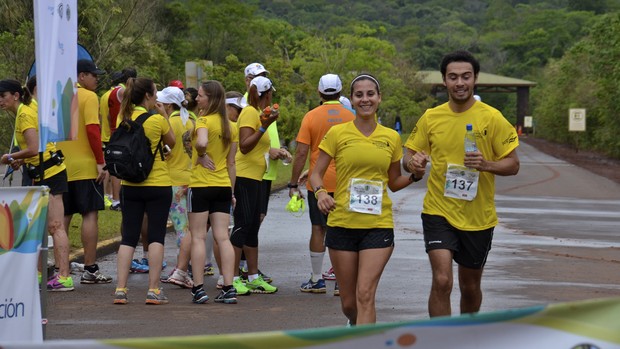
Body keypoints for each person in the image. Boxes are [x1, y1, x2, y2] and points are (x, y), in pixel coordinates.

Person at [403, 50, 520, 317]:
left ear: (475, 79)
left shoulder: (491, 117)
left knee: (470, 287)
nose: (459, 83)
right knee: (442, 281)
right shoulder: (432, 117)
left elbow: (513, 164)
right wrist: (413, 163)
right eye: (453, 77)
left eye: (465, 77)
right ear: (444, 80)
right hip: (438, 210)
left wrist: (486, 164)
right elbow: (408, 155)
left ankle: (467, 335)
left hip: (478, 217)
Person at [310, 73, 423, 325]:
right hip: (342, 224)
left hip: (378, 225)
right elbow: (316, 174)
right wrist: (319, 194)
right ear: (350, 99)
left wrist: (414, 177)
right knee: (349, 303)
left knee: (365, 294)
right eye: (359, 95)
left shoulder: (391, 137)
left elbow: (394, 183)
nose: (365, 99)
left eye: (370, 94)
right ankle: (355, 323)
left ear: (379, 98)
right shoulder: (337, 133)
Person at [0, 79, 73, 291]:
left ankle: (64, 276)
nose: (0, 101)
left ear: (15, 95)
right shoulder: (28, 108)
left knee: (55, 226)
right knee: (40, 226)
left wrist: (9, 156)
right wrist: (22, 159)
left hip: (50, 173)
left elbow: (33, 148)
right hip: (43, 170)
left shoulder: (24, 113)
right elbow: (37, 146)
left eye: (3, 96)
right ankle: (42, 274)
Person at [288, 74, 355, 295]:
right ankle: (340, 283)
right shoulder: (351, 116)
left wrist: (293, 182)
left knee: (318, 228)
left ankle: (317, 280)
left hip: (319, 183)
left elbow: (301, 152)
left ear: (319, 92)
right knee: (344, 229)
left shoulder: (311, 117)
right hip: (346, 182)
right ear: (340, 91)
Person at [113, 77, 175, 305]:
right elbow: (173, 142)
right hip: (158, 184)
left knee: (128, 237)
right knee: (157, 236)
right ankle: (153, 290)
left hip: (130, 185)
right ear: (148, 96)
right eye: (156, 92)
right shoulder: (158, 120)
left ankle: (120, 289)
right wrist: (164, 116)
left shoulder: (123, 117)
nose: (157, 96)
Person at [56, 59, 113, 285]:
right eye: (93, 75)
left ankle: (61, 267)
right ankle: (90, 268)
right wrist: (101, 161)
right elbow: (92, 130)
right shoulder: (89, 97)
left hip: (60, 165)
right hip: (86, 165)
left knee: (63, 218)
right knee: (90, 214)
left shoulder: (59, 96)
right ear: (81, 76)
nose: (96, 79)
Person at [187, 80, 239, 304]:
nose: (197, 99)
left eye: (200, 96)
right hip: (223, 186)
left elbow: (202, 142)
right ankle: (229, 287)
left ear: (211, 98)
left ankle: (198, 288)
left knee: (198, 237)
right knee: (223, 237)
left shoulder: (203, 120)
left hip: (200, 185)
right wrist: (232, 191)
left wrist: (200, 153)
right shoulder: (231, 126)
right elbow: (231, 163)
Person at [230, 76, 279, 295]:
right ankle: (231, 279)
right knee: (242, 225)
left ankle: (252, 276)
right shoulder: (249, 112)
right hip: (245, 176)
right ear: (266, 94)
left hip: (256, 177)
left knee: (252, 228)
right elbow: (245, 146)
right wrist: (263, 127)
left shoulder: (256, 113)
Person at [155, 87, 194, 289]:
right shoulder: (192, 120)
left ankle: (183, 269)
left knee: (182, 229)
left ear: (169, 105)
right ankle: (185, 267)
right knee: (190, 227)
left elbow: (164, 151)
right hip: (192, 180)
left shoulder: (167, 122)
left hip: (173, 180)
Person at [108, 68, 137, 212]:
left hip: (114, 132)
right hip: (123, 134)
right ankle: (117, 198)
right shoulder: (123, 92)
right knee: (120, 167)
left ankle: (115, 198)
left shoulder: (109, 93)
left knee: (115, 167)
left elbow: (107, 116)